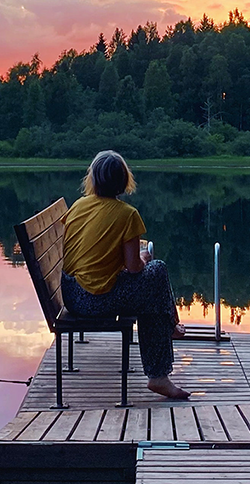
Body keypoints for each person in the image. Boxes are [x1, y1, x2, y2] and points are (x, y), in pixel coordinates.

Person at [60, 150, 190, 400]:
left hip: (71, 294)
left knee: (152, 285)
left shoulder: (78, 205)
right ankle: (159, 374)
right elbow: (134, 268)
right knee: (157, 271)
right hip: (94, 300)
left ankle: (169, 327)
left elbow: (91, 250)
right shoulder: (127, 214)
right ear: (123, 180)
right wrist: (143, 257)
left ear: (94, 180)